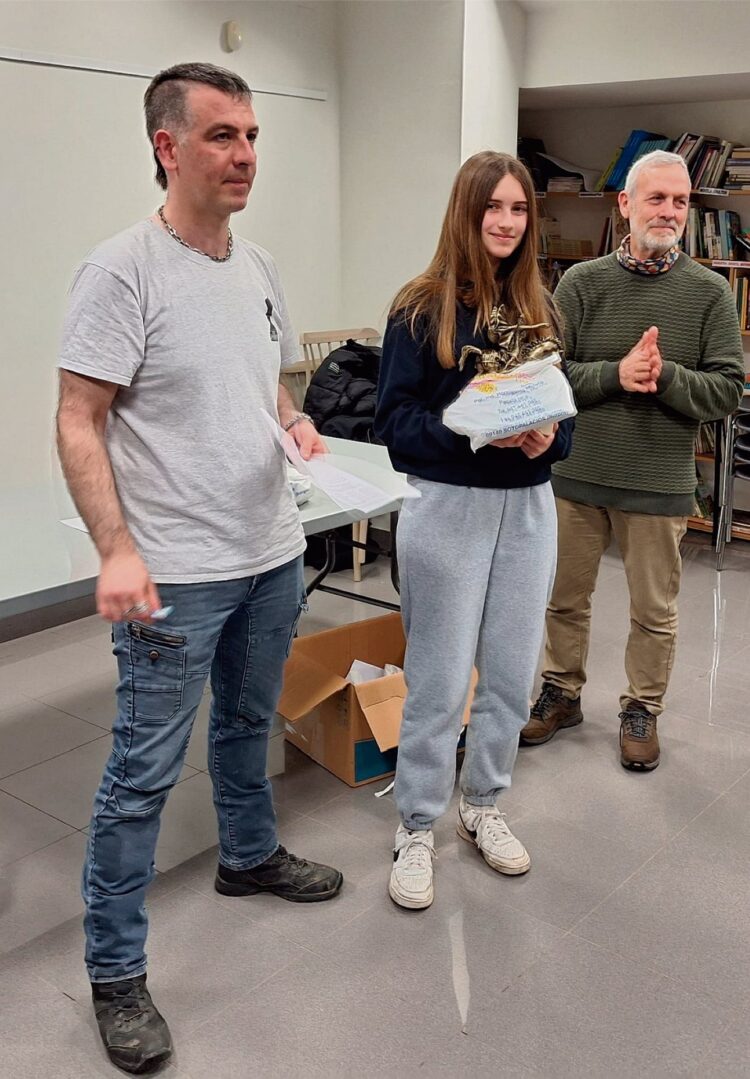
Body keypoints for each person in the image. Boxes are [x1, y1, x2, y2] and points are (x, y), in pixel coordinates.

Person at [56, 62, 342, 1075]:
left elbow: (262, 381)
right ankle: (116, 971)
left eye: (255, 135)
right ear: (168, 146)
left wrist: (296, 420)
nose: (247, 154)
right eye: (223, 135)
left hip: (269, 551)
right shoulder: (121, 271)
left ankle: (249, 854)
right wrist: (117, 548)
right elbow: (78, 417)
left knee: (246, 721)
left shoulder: (254, 264)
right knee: (138, 776)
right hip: (175, 571)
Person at [374, 151, 574, 910]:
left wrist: (543, 439)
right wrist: (475, 431)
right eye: (493, 206)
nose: (505, 221)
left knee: (513, 673)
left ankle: (483, 804)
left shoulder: (541, 306)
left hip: (527, 509)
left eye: (518, 209)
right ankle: (417, 824)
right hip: (448, 506)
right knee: (439, 678)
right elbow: (393, 426)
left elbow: (565, 428)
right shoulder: (419, 308)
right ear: (466, 211)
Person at [523, 149, 745, 771]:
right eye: (657, 198)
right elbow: (552, 377)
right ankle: (562, 691)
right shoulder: (581, 283)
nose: (670, 211)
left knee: (654, 612)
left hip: (660, 482)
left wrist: (668, 375)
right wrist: (617, 375)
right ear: (625, 203)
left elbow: (728, 388)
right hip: (577, 474)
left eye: (681, 201)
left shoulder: (709, 293)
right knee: (565, 598)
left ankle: (641, 707)